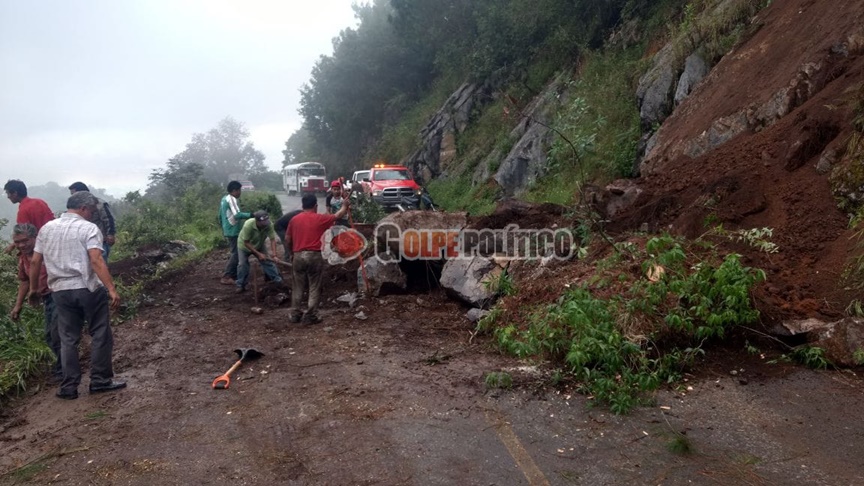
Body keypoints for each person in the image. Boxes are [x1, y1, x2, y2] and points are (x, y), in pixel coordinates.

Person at [31, 191, 124, 400]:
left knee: (68, 339)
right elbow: (96, 260)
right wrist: (110, 288)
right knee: (100, 332)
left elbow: (36, 261)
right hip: (87, 288)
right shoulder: (88, 228)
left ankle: (69, 387)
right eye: (91, 209)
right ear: (83, 208)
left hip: (60, 291)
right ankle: (100, 381)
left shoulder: (46, 229)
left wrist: (33, 290)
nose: (92, 214)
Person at [285, 193, 350, 324]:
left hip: (298, 255)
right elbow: (338, 215)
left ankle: (295, 314)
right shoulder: (320, 218)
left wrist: (292, 253)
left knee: (297, 286)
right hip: (314, 256)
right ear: (315, 206)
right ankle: (310, 315)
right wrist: (345, 205)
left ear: (303, 205)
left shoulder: (294, 219)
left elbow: (287, 239)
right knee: (314, 286)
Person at [10, 223, 62, 383]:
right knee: (49, 335)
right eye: (17, 242)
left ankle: (64, 370)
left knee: (56, 335)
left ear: (35, 237)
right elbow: (24, 282)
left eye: (25, 240)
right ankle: (65, 366)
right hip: (46, 298)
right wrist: (18, 306)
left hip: (59, 294)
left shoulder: (48, 251)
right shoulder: (23, 257)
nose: (21, 245)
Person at [235, 210, 284, 293]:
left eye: (266, 221)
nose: (265, 224)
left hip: (259, 244)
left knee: (267, 261)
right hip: (244, 246)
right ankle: (240, 285)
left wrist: (274, 255)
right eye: (263, 222)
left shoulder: (269, 224)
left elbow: (272, 240)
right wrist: (258, 254)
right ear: (257, 221)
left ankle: (277, 280)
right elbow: (246, 242)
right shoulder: (248, 225)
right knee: (242, 264)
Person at [3, 179, 54, 254]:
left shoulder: (23, 211)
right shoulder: (40, 202)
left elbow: (22, 236)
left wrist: (12, 246)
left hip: (37, 249)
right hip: (52, 243)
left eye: (8, 193)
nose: (8, 197)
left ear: (15, 193)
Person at [68, 182, 116, 260]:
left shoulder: (99, 204)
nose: (72, 197)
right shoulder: (75, 207)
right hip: (82, 242)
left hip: (99, 241)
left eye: (73, 194)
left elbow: (108, 219)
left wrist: (111, 234)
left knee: (99, 263)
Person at [219, 181, 252, 285]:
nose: (240, 192)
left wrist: (223, 228)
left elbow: (220, 216)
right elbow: (237, 215)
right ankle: (227, 275)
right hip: (233, 230)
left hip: (228, 228)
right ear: (234, 191)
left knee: (235, 252)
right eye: (239, 190)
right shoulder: (232, 199)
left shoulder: (224, 199)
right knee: (236, 253)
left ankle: (233, 274)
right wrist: (251, 215)